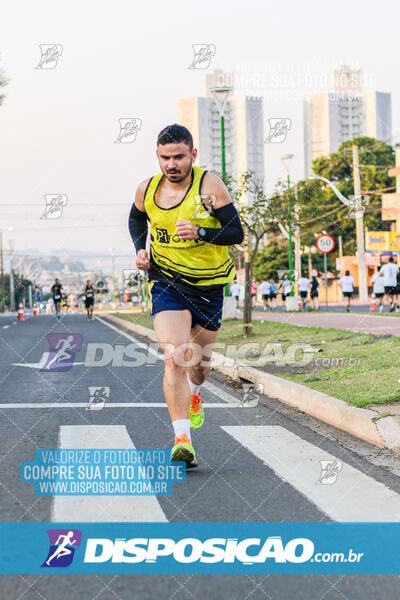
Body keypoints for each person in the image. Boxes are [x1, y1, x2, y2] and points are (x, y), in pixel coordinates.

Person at [129, 124, 243, 467]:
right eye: (165, 157)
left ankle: (196, 395)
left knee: (201, 367)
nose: (172, 164)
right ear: (158, 157)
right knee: (175, 355)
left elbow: (236, 231)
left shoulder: (209, 186)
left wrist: (202, 231)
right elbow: (136, 220)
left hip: (208, 286)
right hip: (166, 283)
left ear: (192, 155)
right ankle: (182, 438)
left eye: (179, 156)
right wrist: (140, 250)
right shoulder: (147, 188)